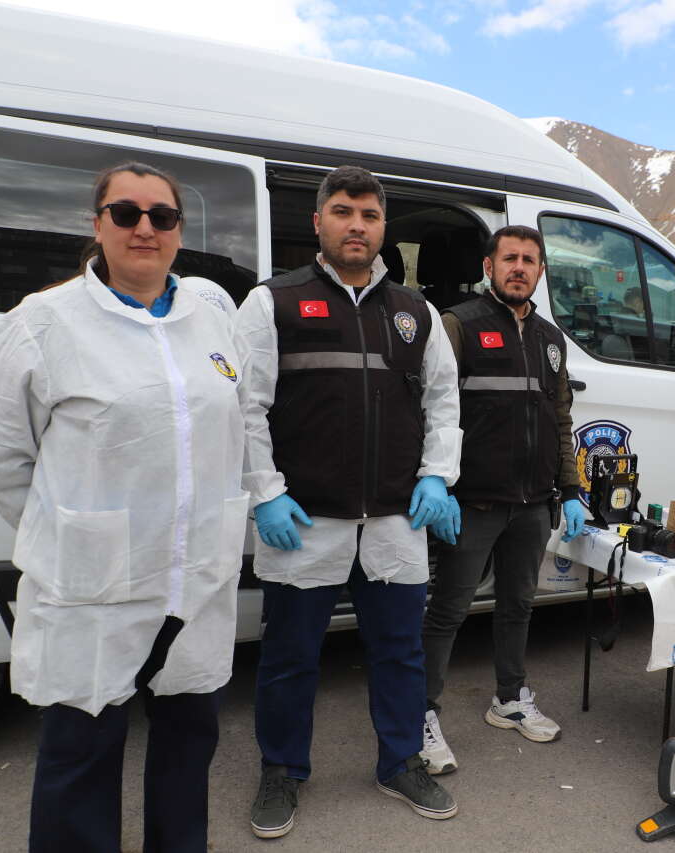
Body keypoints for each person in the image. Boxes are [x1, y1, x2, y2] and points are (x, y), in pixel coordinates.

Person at [0, 162, 248, 852]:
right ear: (97, 225)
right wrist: (72, 530)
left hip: (197, 579)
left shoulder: (211, 317)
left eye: (162, 215)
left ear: (180, 231)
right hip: (94, 587)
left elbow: (237, 425)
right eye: (127, 213)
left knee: (187, 749)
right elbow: (0, 453)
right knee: (80, 761)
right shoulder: (44, 322)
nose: (145, 228)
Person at [235, 165, 462, 837]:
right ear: (318, 223)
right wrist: (267, 495)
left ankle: (400, 761)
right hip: (304, 522)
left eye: (368, 213)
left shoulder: (414, 312)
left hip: (395, 519)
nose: (356, 224)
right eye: (342, 211)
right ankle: (281, 769)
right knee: (289, 658)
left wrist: (437, 476)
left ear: (383, 226)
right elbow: (245, 407)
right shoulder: (272, 302)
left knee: (400, 653)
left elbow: (444, 402)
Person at [419, 225, 585, 775]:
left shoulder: (550, 339)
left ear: (540, 272)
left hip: (534, 503)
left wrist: (572, 489)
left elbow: (561, 419)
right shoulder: (458, 325)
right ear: (489, 267)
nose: (520, 267)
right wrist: (436, 483)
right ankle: (420, 712)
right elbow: (432, 412)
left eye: (529, 260)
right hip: (473, 502)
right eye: (509, 258)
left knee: (517, 607)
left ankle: (509, 699)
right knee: (447, 611)